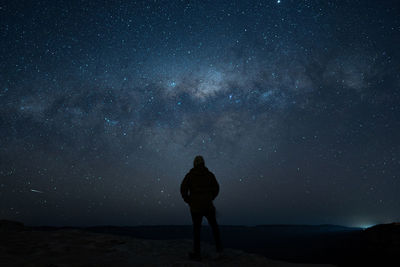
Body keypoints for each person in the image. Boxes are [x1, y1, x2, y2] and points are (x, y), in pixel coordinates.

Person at [180, 155, 223, 261]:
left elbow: (183, 189)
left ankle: (197, 253)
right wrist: (210, 198)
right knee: (214, 227)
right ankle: (219, 249)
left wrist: (189, 201)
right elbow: (216, 188)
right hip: (208, 206)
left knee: (196, 230)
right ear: (203, 163)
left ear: (194, 164)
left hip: (195, 208)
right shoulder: (209, 175)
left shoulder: (190, 175)